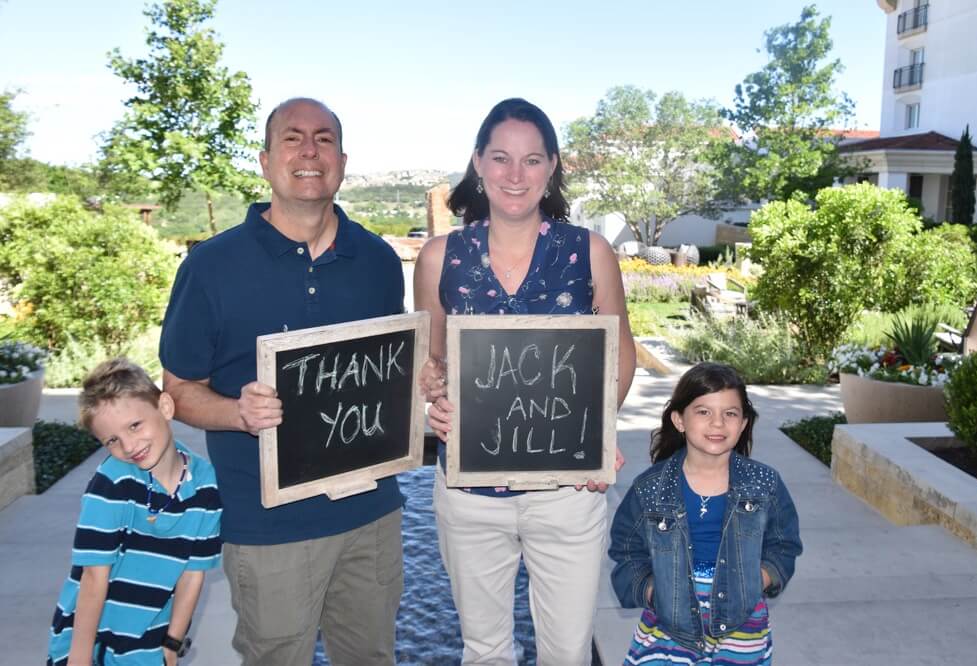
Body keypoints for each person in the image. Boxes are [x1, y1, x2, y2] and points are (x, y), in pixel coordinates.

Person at [159, 97, 405, 665]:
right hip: (267, 526)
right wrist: (236, 413)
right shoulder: (211, 266)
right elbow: (178, 389)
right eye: (292, 139)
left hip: (370, 517)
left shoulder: (377, 261)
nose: (309, 151)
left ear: (342, 161)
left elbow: (388, 371)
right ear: (266, 160)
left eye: (323, 139)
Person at [414, 97, 637, 665]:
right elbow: (431, 362)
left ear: (553, 167)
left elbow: (622, 357)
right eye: (501, 158)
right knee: (484, 651)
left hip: (566, 494)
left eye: (533, 160)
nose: (516, 175)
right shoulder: (440, 258)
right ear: (478, 164)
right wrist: (434, 401)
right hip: (469, 495)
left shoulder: (589, 252)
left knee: (566, 653)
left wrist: (593, 433)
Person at [608, 362, 803, 665]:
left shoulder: (764, 484)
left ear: (743, 423)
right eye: (703, 412)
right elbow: (626, 549)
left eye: (730, 413)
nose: (717, 423)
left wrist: (759, 580)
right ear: (679, 420)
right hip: (668, 624)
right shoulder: (650, 488)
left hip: (741, 626)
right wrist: (650, 591)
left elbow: (784, 544)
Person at [47, 358, 222, 666]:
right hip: (94, 640)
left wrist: (172, 646)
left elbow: (193, 575)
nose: (128, 446)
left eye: (135, 425)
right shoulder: (114, 481)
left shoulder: (206, 484)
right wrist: (79, 658)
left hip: (149, 642)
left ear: (165, 407)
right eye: (112, 440)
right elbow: (93, 576)